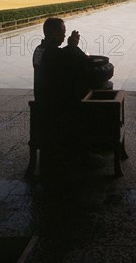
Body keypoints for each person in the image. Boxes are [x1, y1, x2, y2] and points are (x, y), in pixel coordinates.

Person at [32, 17, 90, 179]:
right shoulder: (53, 53)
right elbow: (73, 62)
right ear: (53, 34)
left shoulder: (39, 49)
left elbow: (60, 58)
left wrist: (70, 46)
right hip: (55, 105)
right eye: (62, 33)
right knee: (84, 105)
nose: (64, 37)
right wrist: (72, 46)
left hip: (44, 99)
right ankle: (82, 154)